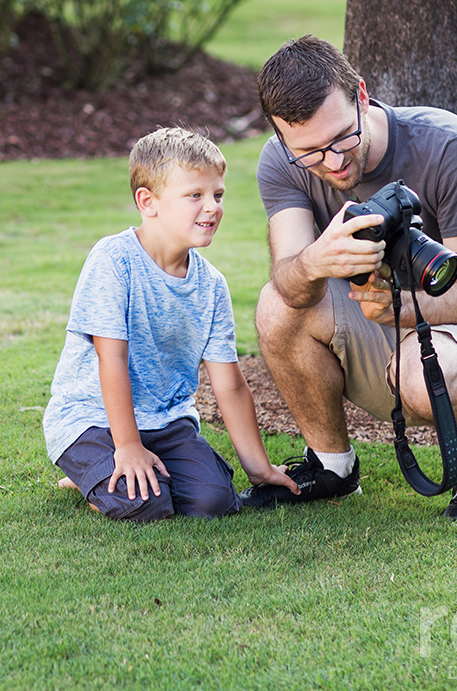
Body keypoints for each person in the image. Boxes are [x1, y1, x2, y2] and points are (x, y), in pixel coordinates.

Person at [243, 35, 457, 523]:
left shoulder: (447, 146)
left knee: (423, 375)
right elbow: (289, 282)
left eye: (342, 138)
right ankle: (332, 467)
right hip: (386, 321)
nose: (333, 162)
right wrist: (316, 260)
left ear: (361, 95)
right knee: (277, 306)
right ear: (281, 139)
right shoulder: (281, 163)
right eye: (311, 152)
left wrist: (398, 308)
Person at [44, 127, 298, 521]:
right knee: (145, 503)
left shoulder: (211, 285)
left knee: (215, 502)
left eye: (218, 194)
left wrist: (259, 469)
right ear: (148, 202)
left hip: (165, 422)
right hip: (93, 419)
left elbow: (229, 384)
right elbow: (110, 358)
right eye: (195, 195)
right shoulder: (114, 260)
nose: (211, 207)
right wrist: (126, 446)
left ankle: (111, 469)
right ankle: (87, 471)